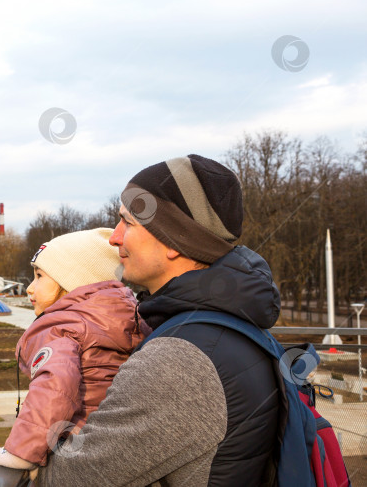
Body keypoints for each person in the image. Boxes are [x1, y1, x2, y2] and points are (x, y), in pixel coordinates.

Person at [35, 154, 281, 486]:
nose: (114, 237)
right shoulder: (227, 325)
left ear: (173, 240)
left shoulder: (180, 360)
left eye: (128, 223)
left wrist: (36, 430)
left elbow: (67, 481)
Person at [0, 228, 148, 476]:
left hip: (78, 449)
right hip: (120, 445)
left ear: (72, 283)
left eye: (39, 276)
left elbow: (55, 387)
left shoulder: (61, 328)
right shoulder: (129, 316)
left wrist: (18, 454)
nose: (30, 288)